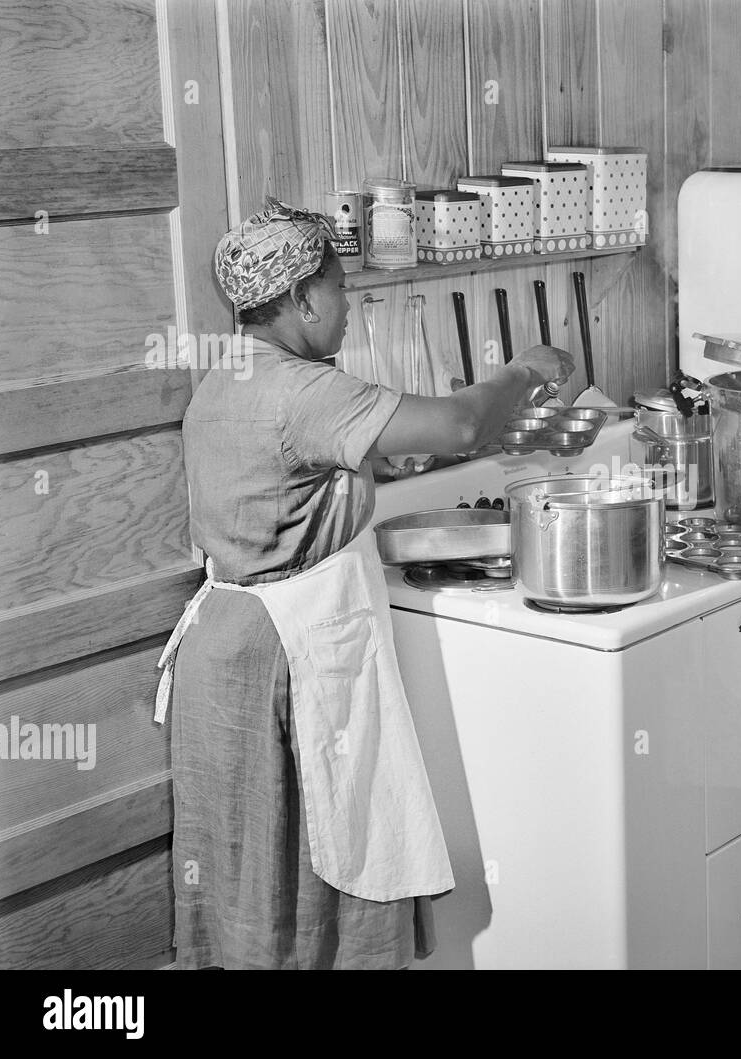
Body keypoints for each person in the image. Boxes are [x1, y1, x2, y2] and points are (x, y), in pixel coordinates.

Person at [153, 197, 575, 969]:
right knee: (317, 865)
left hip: (224, 654)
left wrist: (382, 459)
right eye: (342, 288)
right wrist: (524, 371)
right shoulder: (302, 390)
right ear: (305, 297)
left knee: (254, 883)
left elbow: (297, 475)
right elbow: (456, 426)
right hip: (279, 660)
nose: (350, 305)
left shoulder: (229, 379)